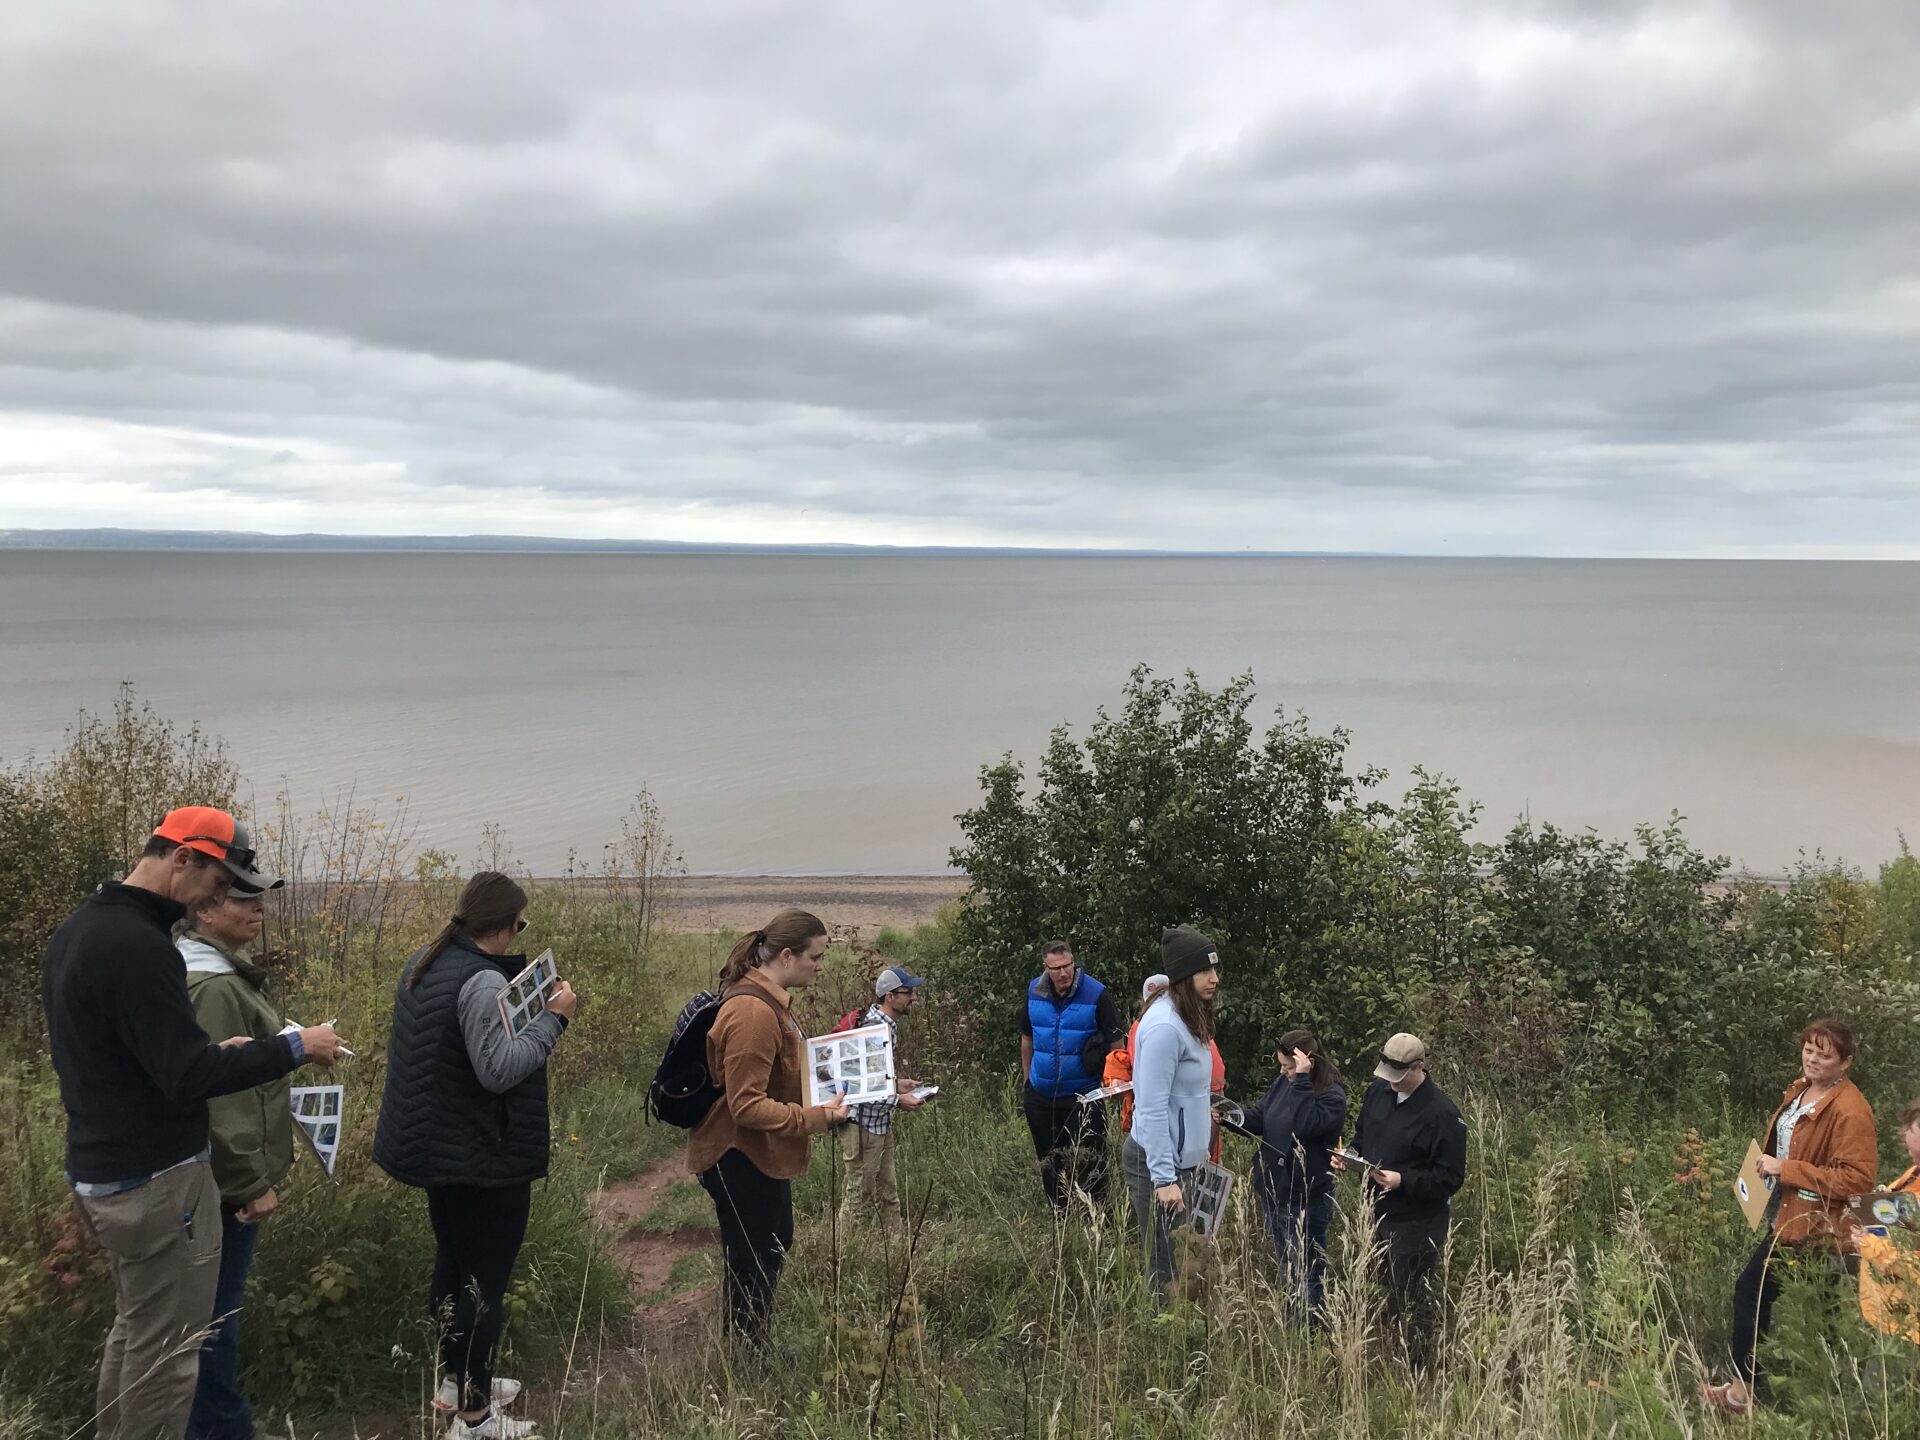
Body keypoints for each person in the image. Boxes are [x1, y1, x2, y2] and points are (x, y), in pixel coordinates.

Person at [39, 807, 342, 1440]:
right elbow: (185, 1078)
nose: (217, 894)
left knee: (135, 1335)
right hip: (158, 1183)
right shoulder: (142, 947)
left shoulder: (81, 931)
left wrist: (213, 1056)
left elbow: (132, 1058)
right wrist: (292, 1047)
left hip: (103, 1172)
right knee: (169, 1361)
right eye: (217, 879)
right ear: (183, 858)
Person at [373, 872, 577, 1440]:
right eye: (521, 925)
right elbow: (499, 1070)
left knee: (455, 1264)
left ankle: (453, 1383)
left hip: (442, 1147)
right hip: (483, 1156)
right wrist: (554, 1019)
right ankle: (475, 1417)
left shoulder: (428, 960)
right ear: (510, 925)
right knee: (483, 1284)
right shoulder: (482, 981)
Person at [688, 910, 849, 1347]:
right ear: (785, 955)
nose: (820, 966)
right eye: (815, 957)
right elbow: (746, 1106)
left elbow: (788, 1076)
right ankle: (746, 1355)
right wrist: (816, 1119)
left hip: (758, 1154)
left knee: (770, 1245)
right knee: (753, 1258)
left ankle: (751, 1344)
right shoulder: (753, 1013)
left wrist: (881, 1087)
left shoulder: (771, 1001)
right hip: (737, 1155)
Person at [1701, 1018, 1877, 1415]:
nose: (1813, 1059)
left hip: (1813, 1229)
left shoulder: (1851, 1111)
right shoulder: (1801, 1089)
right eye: (1809, 1049)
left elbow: (1856, 1180)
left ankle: (1741, 1395)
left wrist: (1786, 1169)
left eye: (1825, 1054)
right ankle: (1834, 1396)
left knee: (1750, 1291)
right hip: (1789, 1215)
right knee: (1824, 1312)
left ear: (1846, 1061)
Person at [179, 872, 292, 1440]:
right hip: (223, 1189)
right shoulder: (214, 986)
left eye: (258, 898)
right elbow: (222, 1097)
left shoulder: (204, 970)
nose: (258, 909)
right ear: (203, 908)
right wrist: (250, 1182)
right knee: (213, 1319)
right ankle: (224, 1429)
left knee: (204, 1316)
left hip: (206, 1181)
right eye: (244, 899)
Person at [1335, 1032, 1465, 1365]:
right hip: (1374, 1211)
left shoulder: (1444, 1115)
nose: (1392, 1084)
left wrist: (1403, 1180)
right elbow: (1362, 1138)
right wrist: (1348, 1156)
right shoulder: (1377, 1092)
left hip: (1416, 1221)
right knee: (1380, 1287)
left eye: (1399, 1078)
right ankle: (1387, 1352)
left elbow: (1450, 1178)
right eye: (1387, 1076)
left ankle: (1420, 1365)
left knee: (1412, 1294)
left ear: (1419, 1068)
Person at [1120, 926, 1222, 1301]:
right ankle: (1163, 1335)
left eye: (1215, 969)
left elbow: (1187, 1092)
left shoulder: (1188, 1016)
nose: (1214, 979)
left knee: (1188, 1253)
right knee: (1166, 1260)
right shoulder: (1164, 1027)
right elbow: (1151, 1106)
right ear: (1183, 976)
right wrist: (1164, 1179)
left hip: (1183, 1161)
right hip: (1159, 1164)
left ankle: (1186, 1326)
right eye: (1204, 971)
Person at [1240, 1029, 1346, 1318]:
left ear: (1306, 1062)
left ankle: (1309, 1331)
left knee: (1307, 1270)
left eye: (1288, 1066)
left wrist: (1300, 1079)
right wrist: (1231, 1117)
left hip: (1306, 1197)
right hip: (1275, 1189)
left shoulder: (1332, 1097)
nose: (1282, 1071)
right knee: (1286, 1265)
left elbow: (1304, 1125)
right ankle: (1293, 1325)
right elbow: (1260, 1117)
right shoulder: (1282, 1084)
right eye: (1282, 1066)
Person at [1018, 940, 1125, 1209]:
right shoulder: (1034, 991)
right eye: (1056, 968)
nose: (1063, 973)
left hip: (1084, 1096)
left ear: (1074, 962)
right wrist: (1027, 1079)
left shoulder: (1097, 994)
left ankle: (1097, 1216)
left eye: (1067, 966)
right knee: (1049, 1159)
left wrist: (1113, 1087)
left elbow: (1116, 1045)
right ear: (1046, 968)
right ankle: (1060, 1216)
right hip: (1041, 1095)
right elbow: (1027, 1037)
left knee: (1091, 1161)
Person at [836, 964, 929, 1227]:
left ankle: (896, 1247)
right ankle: (843, 1253)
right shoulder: (873, 1031)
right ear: (890, 996)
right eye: (907, 992)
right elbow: (859, 1086)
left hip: (878, 1122)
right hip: (861, 1125)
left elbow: (873, 1077)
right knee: (859, 1193)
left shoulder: (886, 1026)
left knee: (888, 1189)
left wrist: (898, 1084)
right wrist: (899, 1100)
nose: (913, 997)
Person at [1106, 974, 1228, 1160]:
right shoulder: (1143, 1027)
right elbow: (1131, 1062)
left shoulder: (1175, 1029)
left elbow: (1215, 1097)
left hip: (1185, 1143)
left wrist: (1206, 1152)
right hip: (1155, 1138)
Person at [1857, 1098, 1920, 1344]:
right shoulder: (1914, 1172)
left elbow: (1913, 1265)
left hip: (1909, 1330)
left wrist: (1868, 1244)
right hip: (1890, 1311)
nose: (1911, 1156)